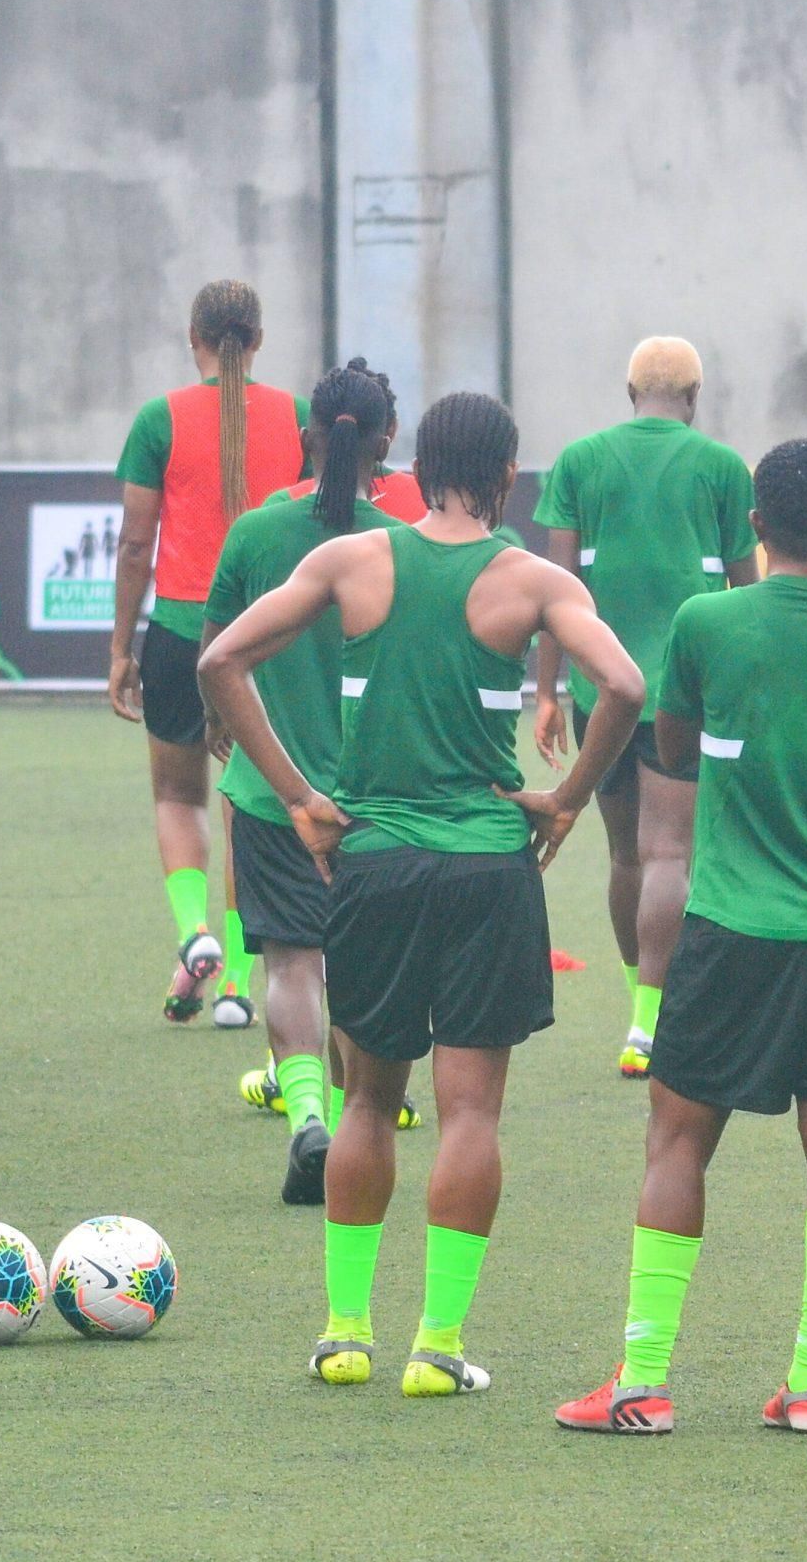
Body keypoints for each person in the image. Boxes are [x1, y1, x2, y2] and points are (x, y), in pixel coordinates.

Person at [199, 391, 642, 1398]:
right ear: (502, 478)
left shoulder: (354, 560)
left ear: (422, 467)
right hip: (489, 864)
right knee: (470, 1110)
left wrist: (302, 796)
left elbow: (218, 657)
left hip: (375, 861)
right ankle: (437, 1344)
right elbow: (623, 686)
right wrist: (566, 799)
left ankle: (344, 1330)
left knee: (367, 1096)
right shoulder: (530, 578)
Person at [557, 439, 807, 1437]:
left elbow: (671, 749)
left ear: (755, 527)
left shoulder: (705, 621)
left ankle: (641, 1381)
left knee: (678, 1139)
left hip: (730, 925)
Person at [202, 360, 407, 1206]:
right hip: (372, 801)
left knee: (292, 964)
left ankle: (308, 1120)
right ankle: (360, 1123)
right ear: (385, 444)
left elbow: (215, 651)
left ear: (305, 438)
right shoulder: (397, 547)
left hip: (271, 791)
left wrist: (228, 734)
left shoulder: (256, 533)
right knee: (360, 972)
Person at [532, 337, 759, 1080]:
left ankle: (638, 1014)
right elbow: (748, 589)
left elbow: (554, 582)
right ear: (693, 398)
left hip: (604, 690)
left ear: (629, 392)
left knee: (625, 853)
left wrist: (549, 689)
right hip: (682, 692)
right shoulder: (723, 467)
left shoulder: (580, 461)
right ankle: (649, 1023)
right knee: (670, 853)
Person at [110, 280, 310, 1025]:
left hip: (179, 635)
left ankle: (196, 934)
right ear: (256, 339)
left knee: (177, 796)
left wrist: (120, 647)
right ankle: (234, 985)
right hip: (270, 636)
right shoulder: (298, 416)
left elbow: (136, 542)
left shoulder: (158, 419)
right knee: (249, 805)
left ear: (193, 337)